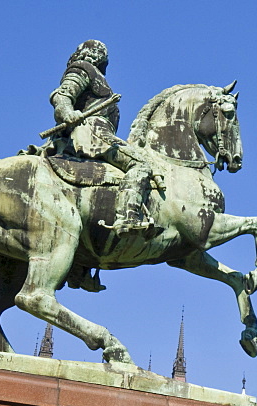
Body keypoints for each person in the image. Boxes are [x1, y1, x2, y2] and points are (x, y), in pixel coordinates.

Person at [50, 40, 161, 290]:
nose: (102, 56)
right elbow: (63, 94)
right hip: (92, 134)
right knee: (141, 166)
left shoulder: (100, 79)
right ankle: (128, 218)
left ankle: (82, 262)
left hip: (101, 135)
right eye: (99, 52)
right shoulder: (83, 69)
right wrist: (67, 113)